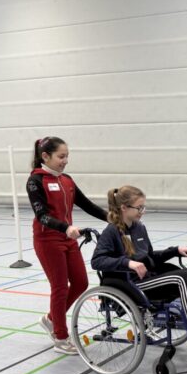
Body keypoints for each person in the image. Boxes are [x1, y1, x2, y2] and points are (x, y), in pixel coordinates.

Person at [90, 185, 187, 362]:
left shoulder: (139, 228)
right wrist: (128, 262)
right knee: (181, 278)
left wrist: (175, 250)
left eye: (143, 207)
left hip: (149, 278)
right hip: (133, 284)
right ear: (124, 208)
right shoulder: (111, 231)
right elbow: (97, 261)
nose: (142, 211)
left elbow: (150, 257)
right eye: (139, 208)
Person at [27, 136, 108, 355]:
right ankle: (61, 338)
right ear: (46, 156)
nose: (65, 161)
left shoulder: (66, 180)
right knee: (60, 287)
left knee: (81, 282)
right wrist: (65, 227)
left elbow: (86, 205)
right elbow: (42, 216)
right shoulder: (35, 181)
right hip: (48, 240)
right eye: (61, 156)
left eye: (67, 156)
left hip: (67, 238)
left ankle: (51, 319)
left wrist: (110, 218)